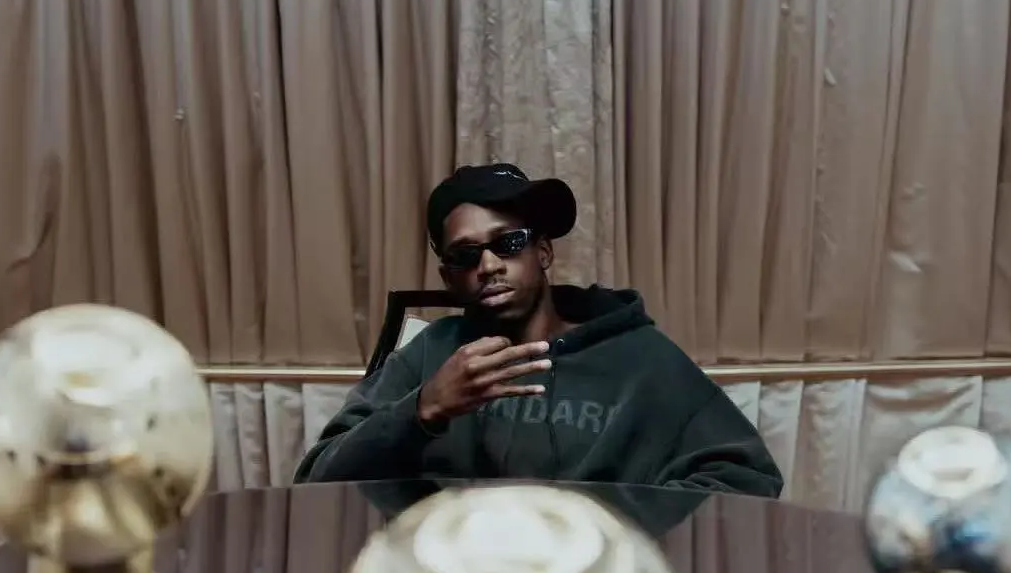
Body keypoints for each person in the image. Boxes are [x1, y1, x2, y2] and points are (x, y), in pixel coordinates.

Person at [294, 164, 783, 497]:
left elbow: (745, 477)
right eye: (465, 255)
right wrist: (423, 410)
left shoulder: (638, 355)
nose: (488, 265)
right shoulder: (431, 354)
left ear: (543, 252)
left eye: (507, 243)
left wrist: (618, 531)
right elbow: (317, 484)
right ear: (449, 277)